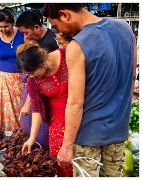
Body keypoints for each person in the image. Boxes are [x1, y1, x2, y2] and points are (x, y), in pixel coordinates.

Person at [43, 3, 137, 177]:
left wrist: (67, 146)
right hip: (118, 130)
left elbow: (75, 102)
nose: (60, 32)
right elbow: (131, 78)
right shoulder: (126, 29)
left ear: (65, 14)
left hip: (88, 136)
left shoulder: (77, 46)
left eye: (57, 26)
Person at [18, 41, 72, 177]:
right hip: (58, 123)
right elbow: (36, 109)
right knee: (61, 163)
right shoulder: (33, 81)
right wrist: (32, 138)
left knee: (83, 162)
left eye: (31, 72)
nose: (30, 77)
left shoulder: (67, 56)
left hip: (83, 118)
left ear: (42, 63)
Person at [15, 10, 59, 151]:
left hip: (52, 97)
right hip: (37, 94)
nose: (25, 37)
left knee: (45, 129)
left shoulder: (53, 43)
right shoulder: (35, 43)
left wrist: (29, 103)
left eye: (26, 32)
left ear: (36, 27)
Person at [0, 8, 24, 131]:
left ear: (13, 23)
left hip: (20, 81)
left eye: (6, 26)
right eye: (0, 26)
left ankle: (22, 136)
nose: (3, 29)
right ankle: (8, 138)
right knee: (5, 111)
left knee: (21, 110)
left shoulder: (22, 36)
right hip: (2, 81)